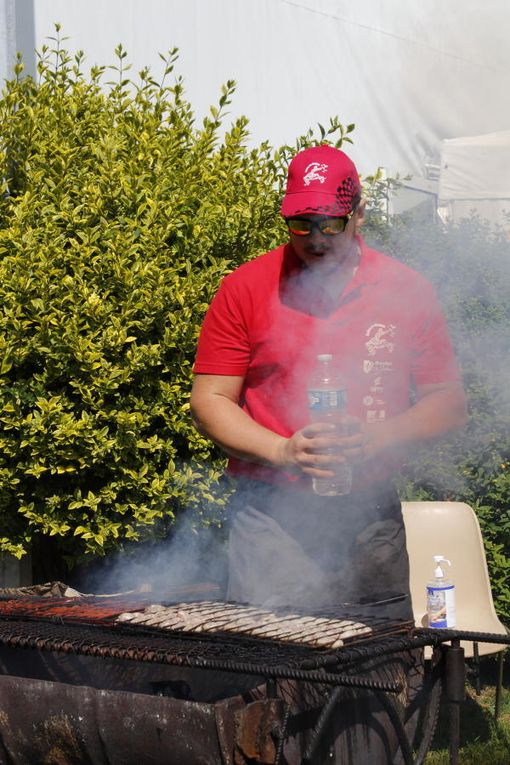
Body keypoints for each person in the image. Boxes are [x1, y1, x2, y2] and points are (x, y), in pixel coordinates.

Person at [190, 144, 467, 763]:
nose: (314, 238)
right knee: (272, 678)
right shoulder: (247, 286)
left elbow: (449, 403)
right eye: (300, 223)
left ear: (360, 213)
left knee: (377, 669)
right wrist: (283, 450)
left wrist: (376, 437)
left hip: (368, 519)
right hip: (269, 519)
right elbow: (210, 399)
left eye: (330, 223)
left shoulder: (405, 290)